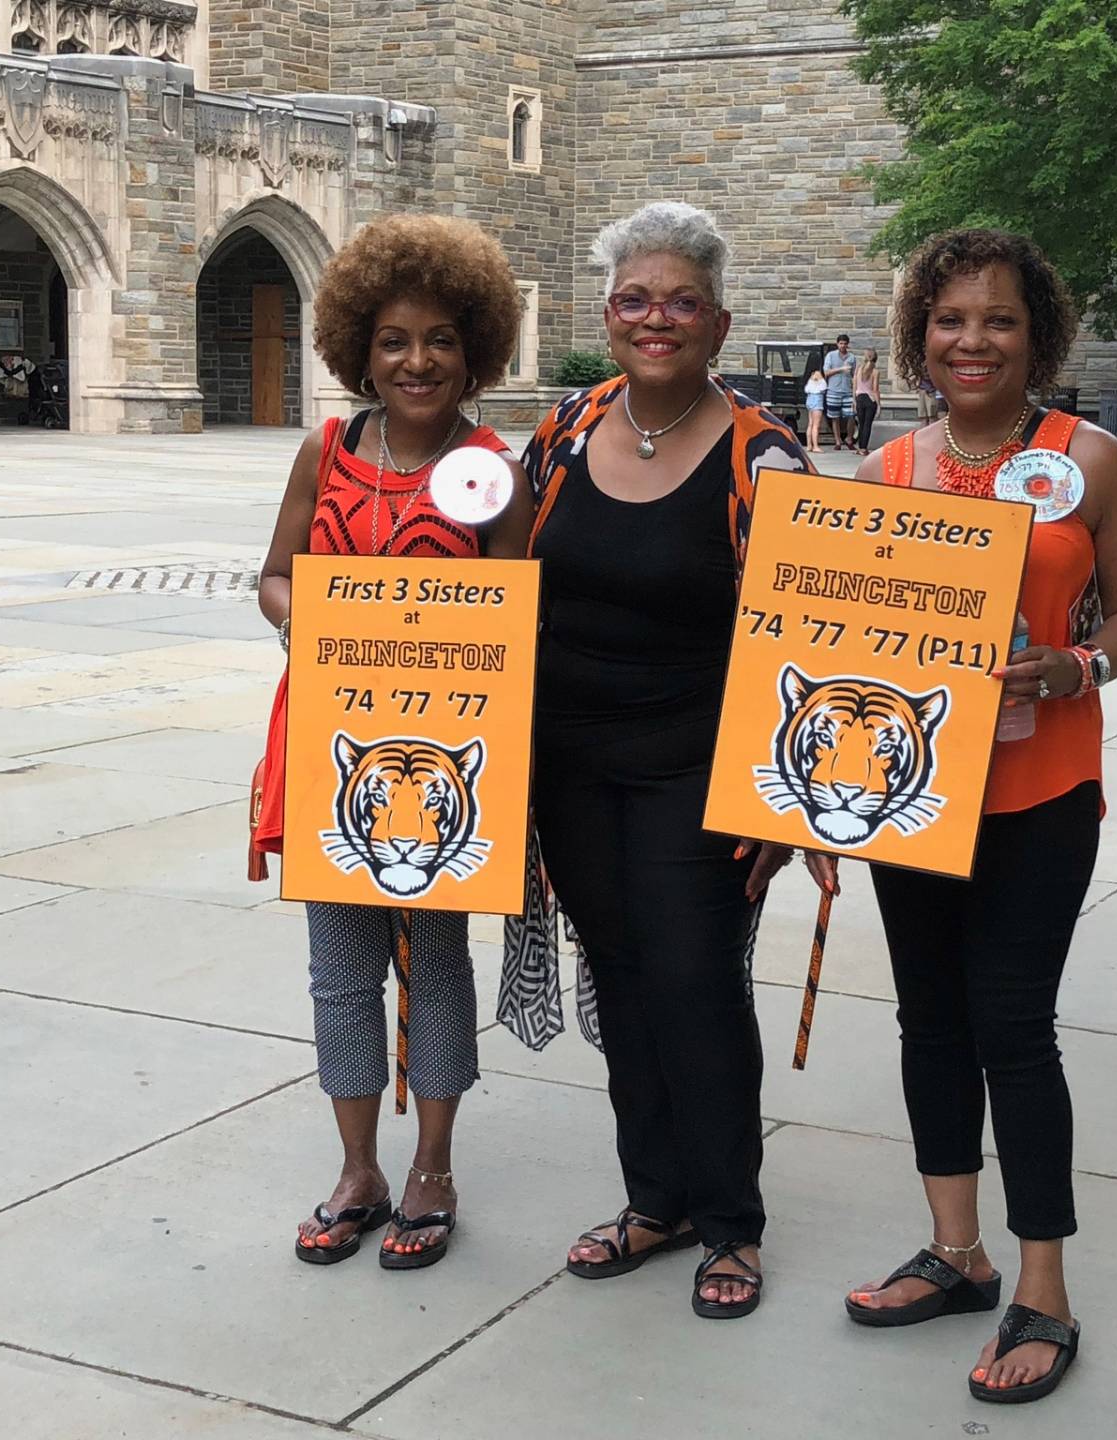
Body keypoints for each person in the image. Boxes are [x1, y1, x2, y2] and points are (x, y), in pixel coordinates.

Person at [844, 228, 1117, 1403]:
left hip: (1040, 794)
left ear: (1040, 336)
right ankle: (956, 1251)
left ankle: (1044, 1287)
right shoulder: (886, 474)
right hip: (912, 797)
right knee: (929, 1023)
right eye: (949, 320)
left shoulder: (1091, 461)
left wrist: (1077, 667)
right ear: (918, 336)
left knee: (1013, 1030)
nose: (971, 341)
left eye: (998, 321)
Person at [516, 201, 835, 1320]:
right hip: (572, 762)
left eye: (682, 301)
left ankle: (730, 1222)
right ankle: (655, 1200)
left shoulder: (765, 454)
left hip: (698, 768)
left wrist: (785, 807)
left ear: (719, 322)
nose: (658, 318)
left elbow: (809, 635)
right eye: (636, 299)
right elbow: (505, 589)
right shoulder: (564, 428)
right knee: (623, 978)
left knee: (696, 985)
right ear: (607, 316)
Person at [256, 214, 535, 1272]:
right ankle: (357, 1168)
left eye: (440, 340)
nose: (416, 361)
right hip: (337, 753)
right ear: (357, 352)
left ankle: (434, 1167)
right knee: (338, 970)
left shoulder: (489, 470)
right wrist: (308, 618)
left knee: (436, 965)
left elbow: (522, 608)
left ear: (475, 350)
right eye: (392, 341)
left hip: (448, 765)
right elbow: (274, 573)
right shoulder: (326, 451)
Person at [823, 333, 856, 449]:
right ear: (837, 344)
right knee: (834, 416)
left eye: (845, 344)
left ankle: (849, 438)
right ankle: (838, 441)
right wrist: (841, 369)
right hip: (833, 390)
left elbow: (854, 375)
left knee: (851, 415)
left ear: (848, 345)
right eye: (841, 343)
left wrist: (855, 390)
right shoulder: (830, 356)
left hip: (847, 390)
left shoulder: (852, 357)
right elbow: (826, 372)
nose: (842, 346)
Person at [852, 347, 881, 455]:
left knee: (861, 424)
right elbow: (875, 389)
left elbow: (854, 385)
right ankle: (864, 448)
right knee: (867, 424)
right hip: (870, 399)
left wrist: (854, 400)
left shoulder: (858, 369)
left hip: (859, 398)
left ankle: (860, 447)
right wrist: (879, 404)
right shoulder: (875, 372)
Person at [803, 367, 827, 452]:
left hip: (809, 400)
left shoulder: (810, 381)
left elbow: (806, 390)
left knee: (810, 424)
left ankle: (809, 445)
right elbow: (824, 389)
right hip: (817, 400)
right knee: (816, 425)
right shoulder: (822, 382)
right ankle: (815, 446)